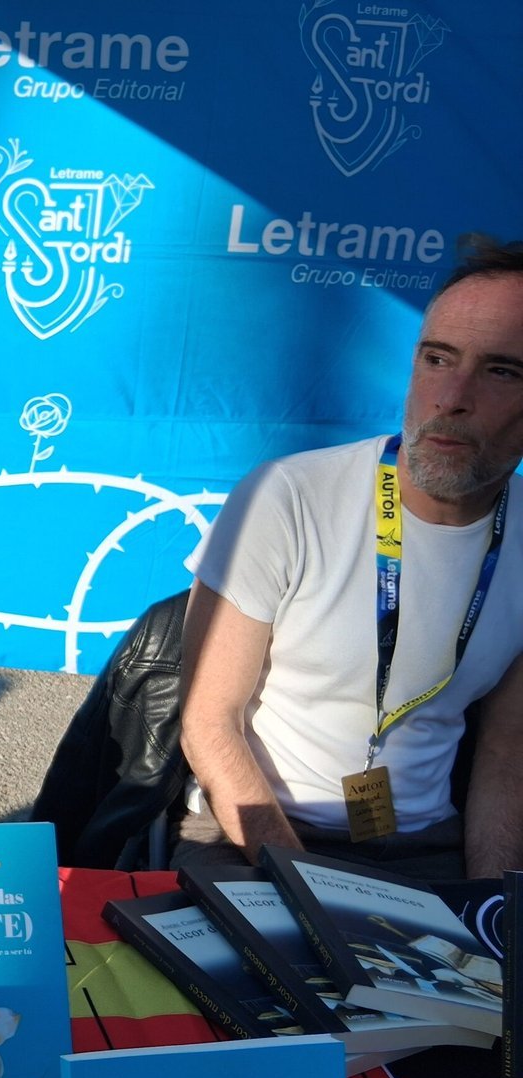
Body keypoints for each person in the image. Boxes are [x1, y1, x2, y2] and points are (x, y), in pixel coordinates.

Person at [177, 235, 523, 881]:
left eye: (501, 371)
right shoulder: (288, 496)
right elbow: (207, 722)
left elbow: (509, 751)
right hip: (251, 831)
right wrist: (312, 894)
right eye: (438, 359)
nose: (451, 397)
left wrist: (492, 907)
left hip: (422, 843)